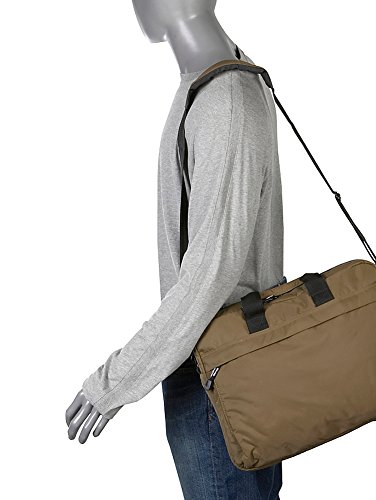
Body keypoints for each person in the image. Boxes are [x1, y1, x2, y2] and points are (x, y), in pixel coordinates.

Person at [65, 1, 284, 498]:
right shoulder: (215, 81)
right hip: (226, 363)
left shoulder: (225, 100)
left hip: (220, 373)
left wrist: (115, 381)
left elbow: (211, 272)